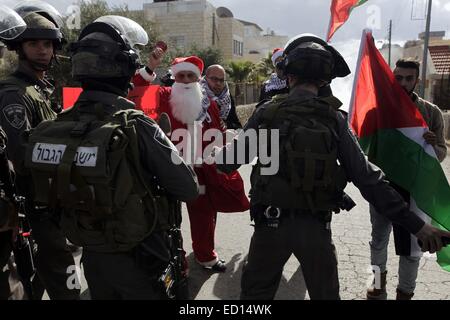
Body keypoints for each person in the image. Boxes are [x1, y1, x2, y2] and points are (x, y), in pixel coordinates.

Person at [214, 34, 450, 300]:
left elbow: (226, 163)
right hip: (316, 229)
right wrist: (419, 226)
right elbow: (369, 180)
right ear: (325, 80)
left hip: (269, 226)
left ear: (288, 76)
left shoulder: (266, 113)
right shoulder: (334, 119)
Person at [23, 16, 199, 300]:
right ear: (126, 69)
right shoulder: (137, 125)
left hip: (92, 257)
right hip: (141, 258)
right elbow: (187, 187)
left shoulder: (57, 126)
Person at [0, 1, 79, 300]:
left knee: (42, 275)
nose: (42, 50)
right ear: (20, 47)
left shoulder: (40, 87)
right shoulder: (14, 94)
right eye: (33, 43)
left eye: (47, 43)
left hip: (51, 199)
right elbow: (21, 156)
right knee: (63, 275)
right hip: (34, 204)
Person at [156, 56, 249, 272]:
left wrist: (227, 144)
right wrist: (150, 67)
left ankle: (205, 256)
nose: (187, 80)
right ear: (175, 77)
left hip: (201, 170)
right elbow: (137, 91)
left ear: (198, 79)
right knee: (168, 217)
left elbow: (218, 131)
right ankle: (173, 262)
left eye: (191, 76)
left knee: (204, 214)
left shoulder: (210, 104)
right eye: (182, 75)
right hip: (167, 168)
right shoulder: (164, 95)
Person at [366, 58, 448, 300]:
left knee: (413, 247)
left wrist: (433, 146)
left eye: (408, 78)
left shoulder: (431, 112)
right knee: (378, 241)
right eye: (398, 78)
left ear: (417, 81)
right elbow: (368, 149)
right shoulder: (377, 111)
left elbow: (442, 153)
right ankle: (376, 285)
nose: (403, 83)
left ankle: (406, 292)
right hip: (384, 190)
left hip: (416, 191)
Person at [201, 64, 242, 129]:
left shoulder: (227, 97)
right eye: (214, 79)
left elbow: (237, 126)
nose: (218, 83)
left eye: (221, 80)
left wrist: (226, 124)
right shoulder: (198, 95)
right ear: (206, 78)